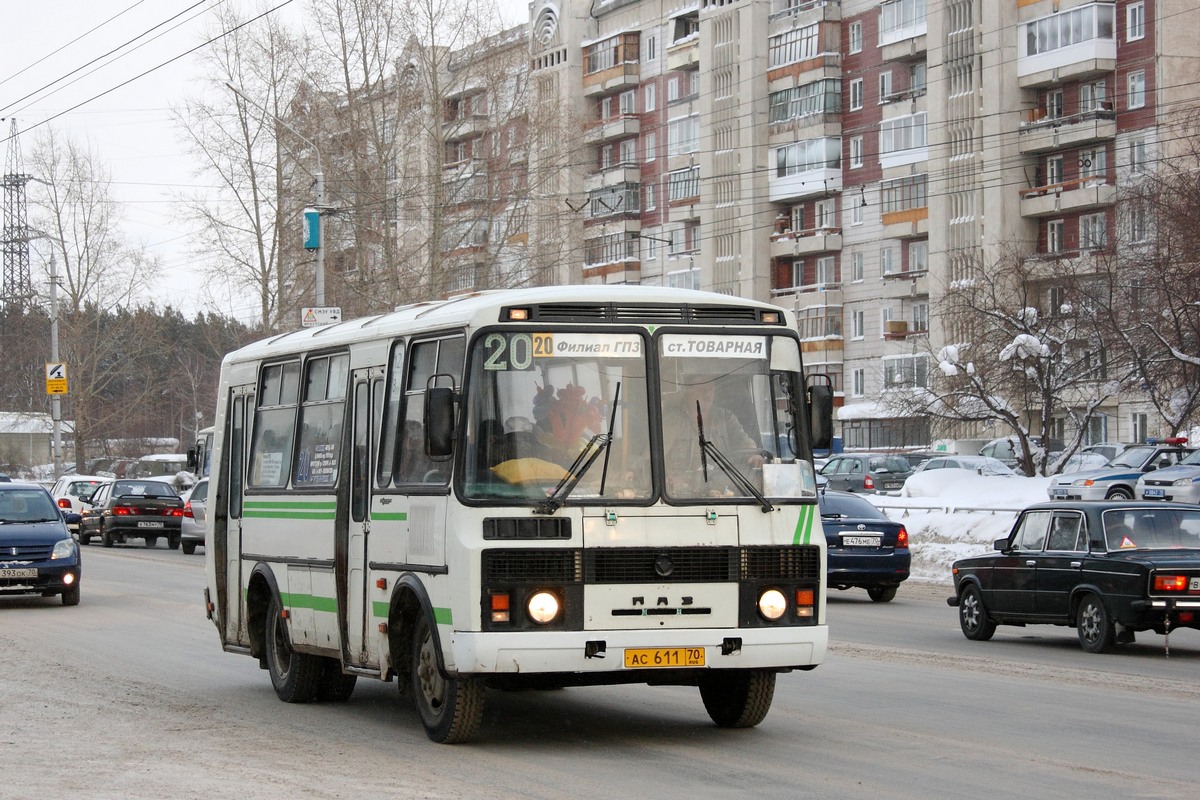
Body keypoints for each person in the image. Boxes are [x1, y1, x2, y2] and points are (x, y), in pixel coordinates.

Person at [664, 373, 766, 495]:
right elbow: (652, 459)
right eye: (701, 389)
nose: (707, 393)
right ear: (688, 392)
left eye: (710, 389)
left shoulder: (726, 418)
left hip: (720, 490)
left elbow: (744, 442)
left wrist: (754, 455)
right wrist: (667, 477)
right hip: (681, 493)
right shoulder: (672, 421)